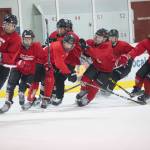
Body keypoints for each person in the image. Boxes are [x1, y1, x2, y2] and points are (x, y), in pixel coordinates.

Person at [0, 30, 44, 113]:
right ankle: (7, 102)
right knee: (10, 84)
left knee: (24, 85)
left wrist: (45, 64)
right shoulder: (17, 46)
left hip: (29, 70)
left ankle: (22, 93)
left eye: (29, 39)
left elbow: (43, 57)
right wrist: (18, 62)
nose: (27, 41)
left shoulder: (37, 46)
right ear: (22, 39)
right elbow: (12, 56)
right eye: (25, 39)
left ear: (32, 39)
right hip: (17, 68)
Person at [76, 28, 115, 106]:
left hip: (106, 71)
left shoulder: (107, 46)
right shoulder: (93, 42)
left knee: (94, 86)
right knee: (84, 78)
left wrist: (86, 47)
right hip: (96, 66)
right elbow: (84, 44)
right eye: (95, 36)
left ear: (104, 39)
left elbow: (96, 54)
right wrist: (80, 44)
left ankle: (88, 99)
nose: (95, 38)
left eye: (98, 37)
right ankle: (83, 90)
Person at [121, 34, 150, 102]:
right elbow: (137, 50)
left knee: (148, 78)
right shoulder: (146, 42)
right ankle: (137, 88)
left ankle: (147, 94)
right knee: (139, 74)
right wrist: (128, 56)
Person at [104, 29, 133, 94]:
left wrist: (126, 57)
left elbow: (134, 52)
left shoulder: (123, 45)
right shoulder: (107, 45)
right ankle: (102, 90)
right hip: (115, 66)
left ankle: (108, 91)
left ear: (116, 38)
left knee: (114, 75)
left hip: (125, 67)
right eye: (109, 37)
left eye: (112, 37)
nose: (110, 39)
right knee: (104, 75)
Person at [0, 14, 21, 90]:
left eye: (12, 25)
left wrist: (1, 55)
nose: (9, 27)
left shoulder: (16, 39)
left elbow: (11, 57)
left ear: (15, 26)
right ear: (4, 24)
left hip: (4, 67)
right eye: (8, 24)